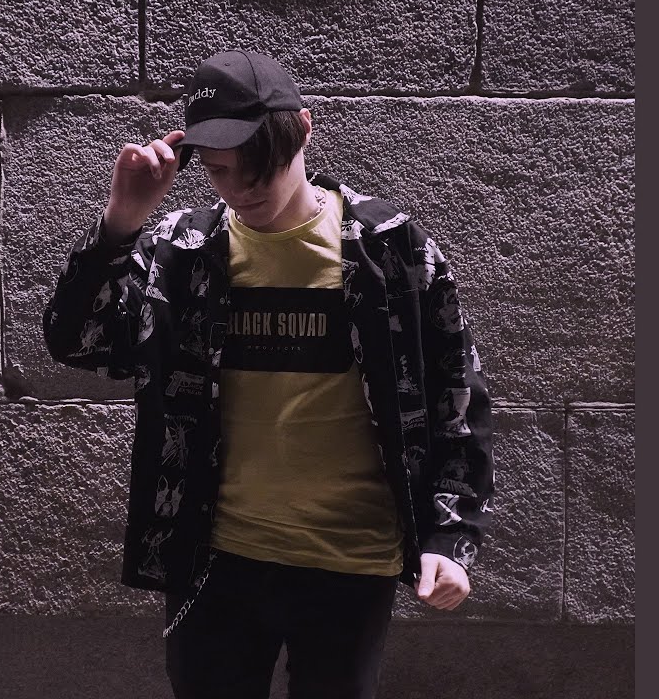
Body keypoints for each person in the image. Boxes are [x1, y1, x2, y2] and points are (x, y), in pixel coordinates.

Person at [43, 49, 495, 699]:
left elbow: (457, 394)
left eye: (262, 168)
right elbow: (78, 342)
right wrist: (122, 222)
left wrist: (451, 536)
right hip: (216, 558)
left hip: (351, 560)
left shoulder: (388, 249)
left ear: (304, 130)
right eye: (221, 171)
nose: (242, 190)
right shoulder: (182, 252)